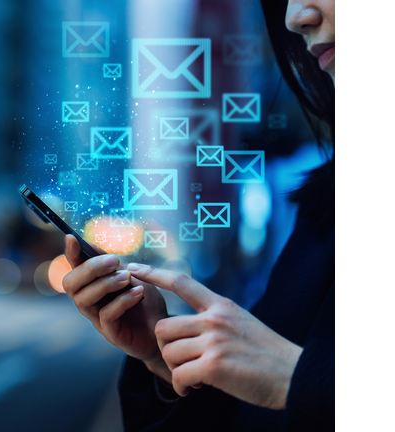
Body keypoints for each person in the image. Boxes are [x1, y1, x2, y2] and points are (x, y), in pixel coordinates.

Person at [61, 0, 334, 430]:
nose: (295, 16)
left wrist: (297, 381)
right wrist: (169, 362)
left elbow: (290, 379)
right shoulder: (326, 207)